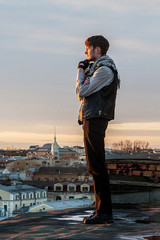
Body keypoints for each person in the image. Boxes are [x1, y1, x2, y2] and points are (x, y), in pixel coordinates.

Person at [76, 35, 120, 224]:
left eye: (88, 49)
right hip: (92, 117)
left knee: (97, 166)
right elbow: (84, 92)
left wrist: (80, 72)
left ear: (98, 50)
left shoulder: (103, 70)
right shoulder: (98, 70)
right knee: (94, 166)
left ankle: (104, 213)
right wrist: (86, 80)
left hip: (95, 118)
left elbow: (82, 92)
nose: (85, 53)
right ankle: (100, 211)